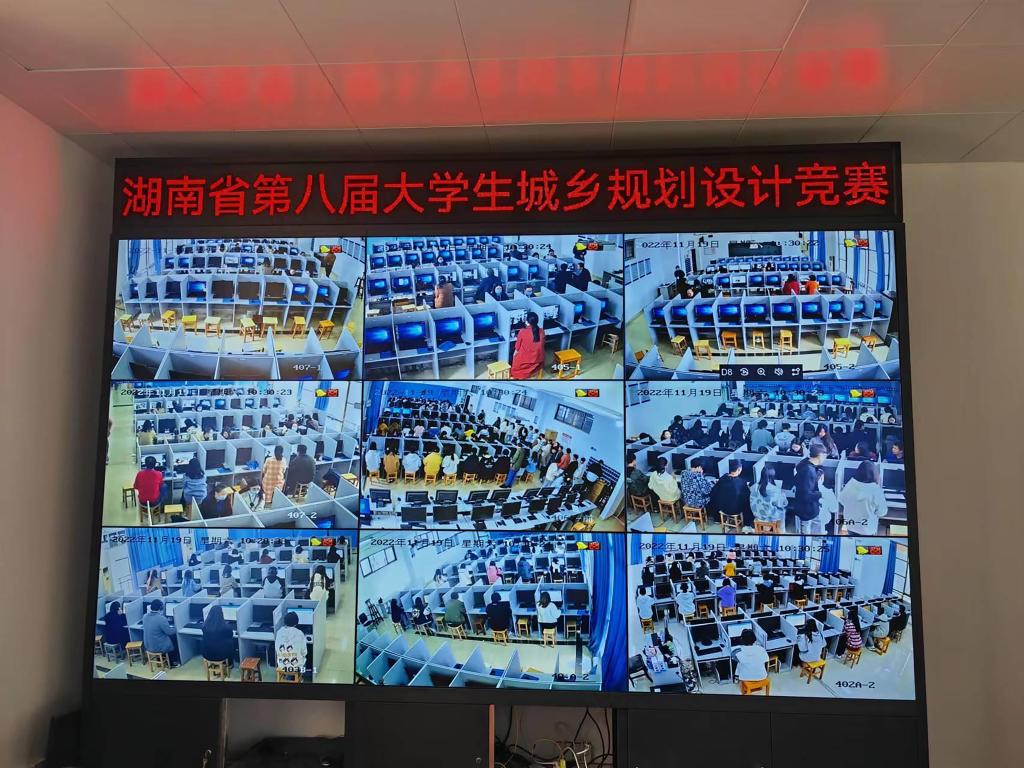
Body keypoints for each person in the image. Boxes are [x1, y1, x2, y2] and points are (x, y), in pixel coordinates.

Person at [840, 460, 889, 535]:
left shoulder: (850, 484)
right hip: (867, 529)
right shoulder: (876, 490)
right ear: (874, 473)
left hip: (851, 525)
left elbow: (842, 500)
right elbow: (882, 512)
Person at [793, 445, 826, 533]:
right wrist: (821, 493)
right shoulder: (808, 471)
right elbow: (806, 496)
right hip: (808, 509)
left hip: (805, 508)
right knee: (808, 533)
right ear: (820, 455)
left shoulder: (804, 463)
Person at [709, 459, 751, 526]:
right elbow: (747, 497)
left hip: (722, 508)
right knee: (747, 502)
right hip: (735, 510)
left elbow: (714, 491)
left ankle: (719, 519)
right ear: (739, 469)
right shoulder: (741, 482)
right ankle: (746, 524)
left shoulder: (722, 478)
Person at [142, 600, 178, 666]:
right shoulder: (161, 618)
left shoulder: (145, 616)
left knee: (159, 636)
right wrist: (177, 627)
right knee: (174, 638)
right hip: (158, 647)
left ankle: (159, 659)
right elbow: (169, 632)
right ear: (160, 608)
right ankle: (172, 663)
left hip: (148, 645)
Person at [510, 311, 545, 379]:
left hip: (524, 362)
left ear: (527, 322)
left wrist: (515, 356)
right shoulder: (542, 331)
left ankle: (515, 375)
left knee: (512, 353)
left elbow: (517, 348)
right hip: (537, 361)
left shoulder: (522, 331)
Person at [275, 612, 307, 679]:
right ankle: (300, 678)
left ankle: (288, 677)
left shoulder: (279, 632)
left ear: (284, 621)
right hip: (296, 666)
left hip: (281, 665)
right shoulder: (299, 633)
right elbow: (304, 652)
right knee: (304, 660)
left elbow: (276, 648)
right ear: (296, 622)